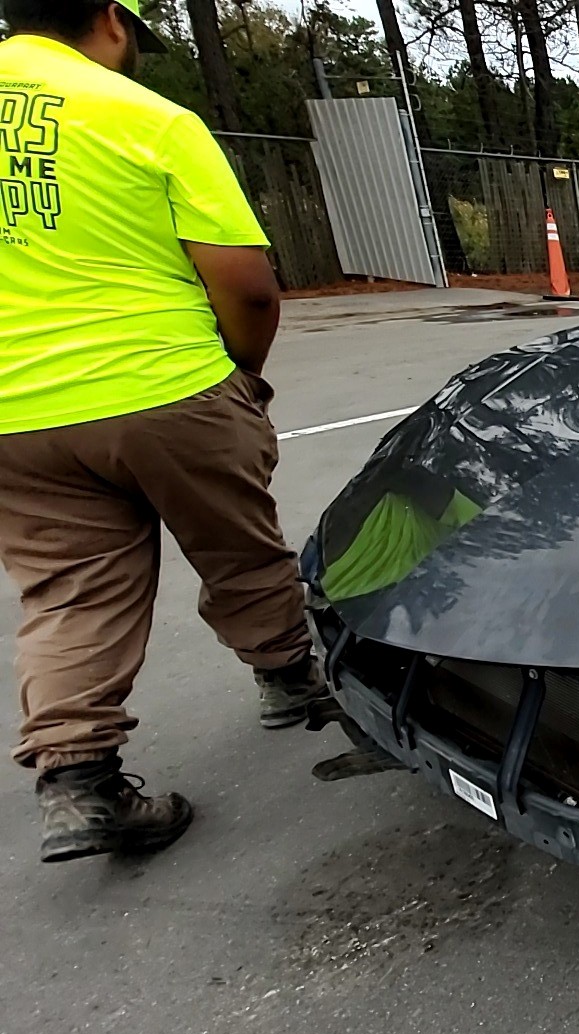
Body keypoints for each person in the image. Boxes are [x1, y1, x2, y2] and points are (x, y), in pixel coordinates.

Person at [0, 0, 342, 863]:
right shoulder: (146, 117)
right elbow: (248, 285)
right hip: (163, 383)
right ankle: (290, 680)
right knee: (237, 545)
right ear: (112, 19)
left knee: (70, 587)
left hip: (12, 411)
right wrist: (242, 376)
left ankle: (78, 782)